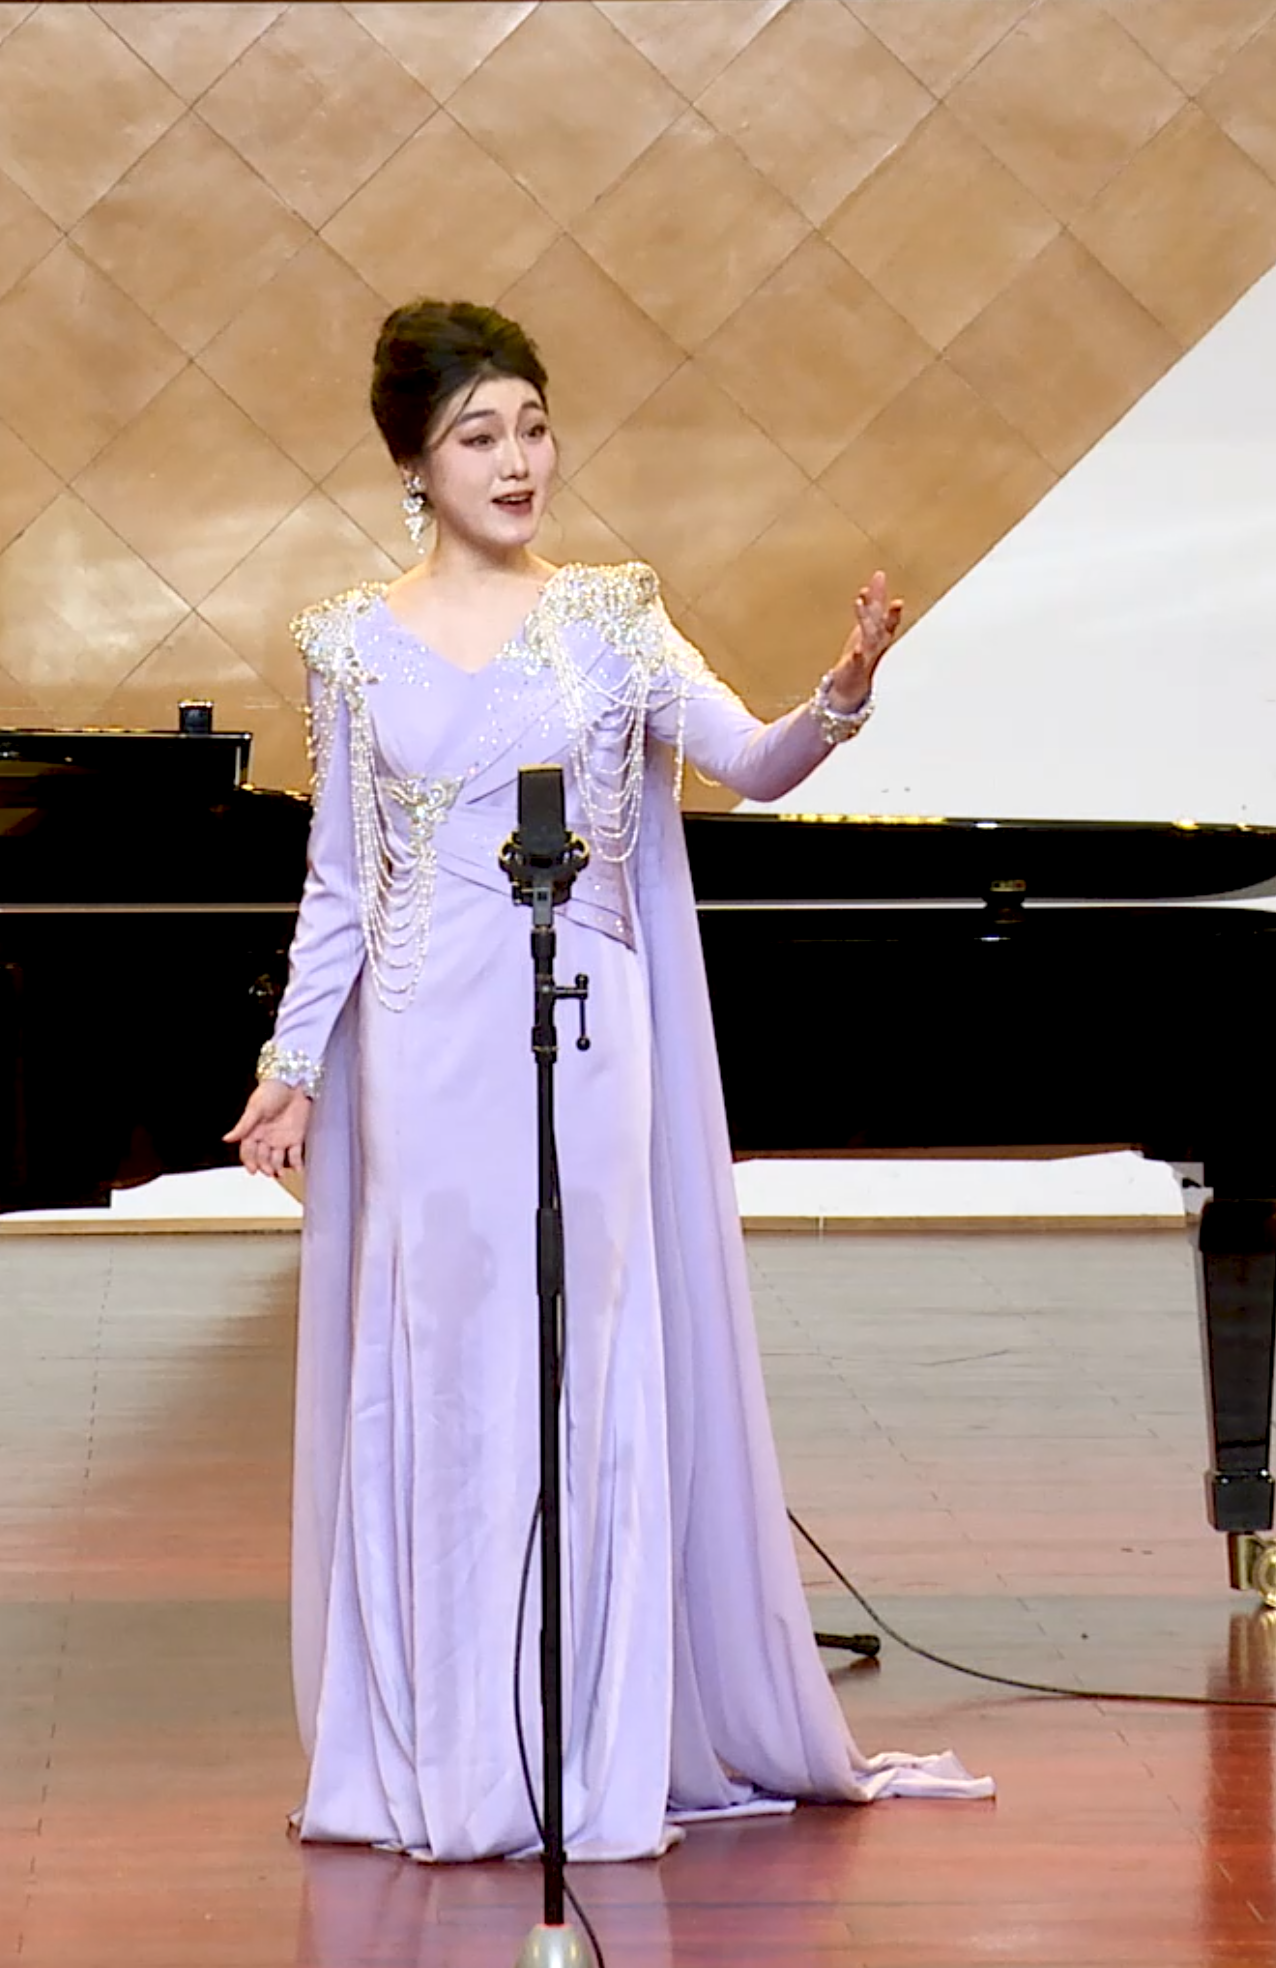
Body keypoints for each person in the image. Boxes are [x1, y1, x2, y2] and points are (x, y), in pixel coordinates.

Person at [223, 301, 993, 1864]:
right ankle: (454, 1754)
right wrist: (292, 1065)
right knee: (448, 1375)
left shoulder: (615, 619)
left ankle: (588, 1750)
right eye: (478, 436)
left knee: (584, 1360)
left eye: (532, 425)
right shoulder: (349, 646)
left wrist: (844, 688)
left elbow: (752, 761)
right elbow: (340, 884)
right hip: (425, 1049)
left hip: (588, 1034)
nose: (518, 460)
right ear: (414, 466)